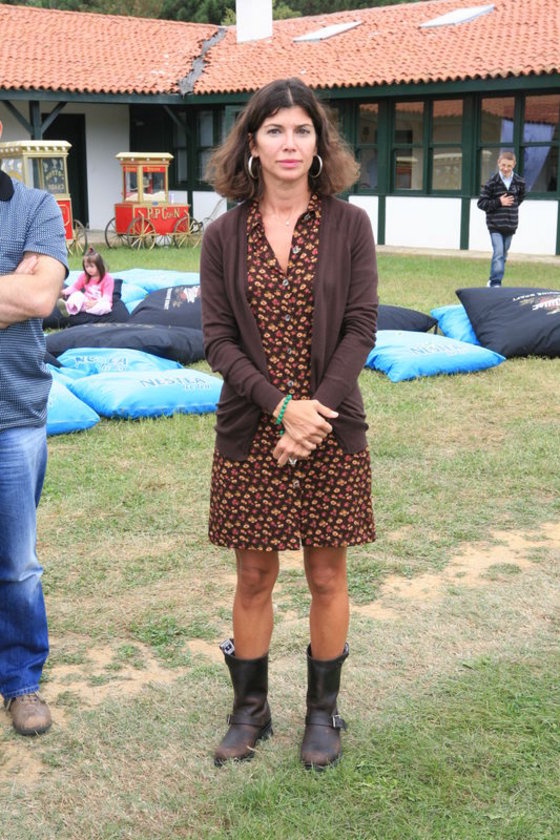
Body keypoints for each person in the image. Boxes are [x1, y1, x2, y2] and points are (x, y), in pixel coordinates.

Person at [200, 78, 378, 770]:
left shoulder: (349, 226)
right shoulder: (223, 235)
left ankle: (322, 714)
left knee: (327, 575)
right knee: (253, 575)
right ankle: (250, 712)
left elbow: (360, 328)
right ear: (252, 144)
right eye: (274, 129)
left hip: (331, 429)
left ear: (319, 143)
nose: (289, 143)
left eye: (302, 129)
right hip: (252, 430)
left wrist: (313, 417)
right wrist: (281, 409)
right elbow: (219, 341)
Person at [0, 121, 68, 736]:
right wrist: (11, 285)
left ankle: (20, 680)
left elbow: (41, 298)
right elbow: (18, 294)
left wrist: (26, 290)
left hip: (13, 415)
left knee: (17, 563)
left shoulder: (34, 207)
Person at [477, 151, 526, 287]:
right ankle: (495, 282)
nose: (505, 168)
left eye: (509, 166)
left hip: (510, 225)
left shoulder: (519, 182)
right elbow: (481, 203)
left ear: (514, 165)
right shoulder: (492, 183)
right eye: (503, 165)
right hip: (495, 226)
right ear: (498, 163)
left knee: (503, 255)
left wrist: (511, 209)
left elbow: (520, 198)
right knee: (498, 252)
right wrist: (499, 202)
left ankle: (493, 278)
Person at [57, 247, 114, 316]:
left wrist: (95, 303)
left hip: (99, 302)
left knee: (106, 307)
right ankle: (67, 308)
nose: (89, 269)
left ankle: (79, 309)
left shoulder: (108, 278)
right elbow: (75, 287)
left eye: (91, 266)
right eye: (87, 267)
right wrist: (63, 292)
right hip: (86, 301)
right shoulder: (84, 276)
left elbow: (107, 297)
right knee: (77, 294)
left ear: (99, 265)